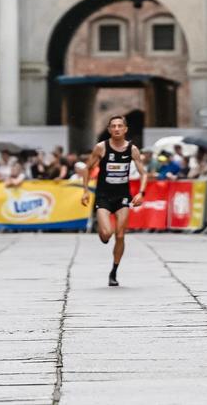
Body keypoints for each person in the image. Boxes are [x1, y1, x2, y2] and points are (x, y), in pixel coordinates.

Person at [81, 115, 148, 287]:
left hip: (122, 196)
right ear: (109, 129)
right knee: (107, 233)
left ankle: (114, 271)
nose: (117, 129)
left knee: (120, 234)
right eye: (113, 126)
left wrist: (141, 193)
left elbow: (144, 173)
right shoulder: (101, 148)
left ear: (125, 129)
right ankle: (102, 230)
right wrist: (85, 191)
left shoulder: (132, 149)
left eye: (120, 126)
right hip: (103, 196)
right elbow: (87, 168)